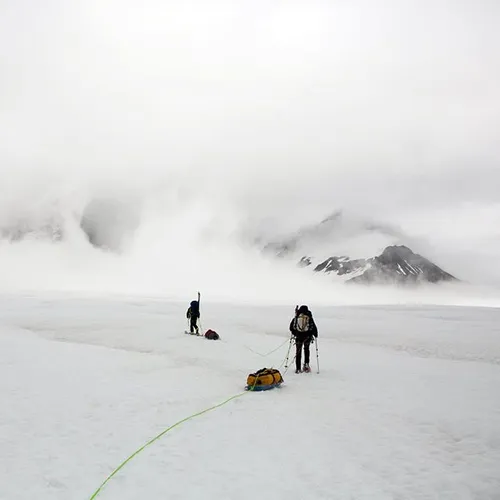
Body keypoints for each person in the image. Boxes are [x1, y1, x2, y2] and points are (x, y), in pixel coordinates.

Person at [289, 305, 318, 373]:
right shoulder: (309, 317)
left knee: (298, 352)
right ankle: (306, 366)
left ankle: (298, 368)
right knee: (306, 350)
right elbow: (313, 327)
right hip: (307, 337)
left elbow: (291, 327)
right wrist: (315, 335)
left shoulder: (297, 317)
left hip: (298, 337)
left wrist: (295, 333)